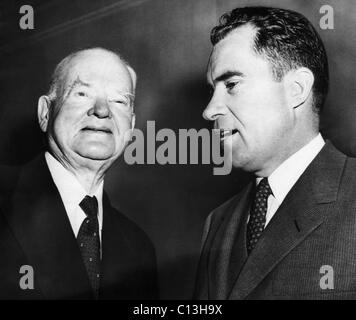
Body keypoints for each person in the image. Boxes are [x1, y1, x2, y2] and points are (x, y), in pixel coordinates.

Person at [194, 6, 356, 299]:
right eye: (211, 91)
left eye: (231, 84)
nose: (209, 111)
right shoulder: (217, 223)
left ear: (296, 89)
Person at [0, 47, 158, 299]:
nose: (102, 110)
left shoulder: (139, 247)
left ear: (131, 126)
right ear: (45, 112)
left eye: (119, 100)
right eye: (82, 93)